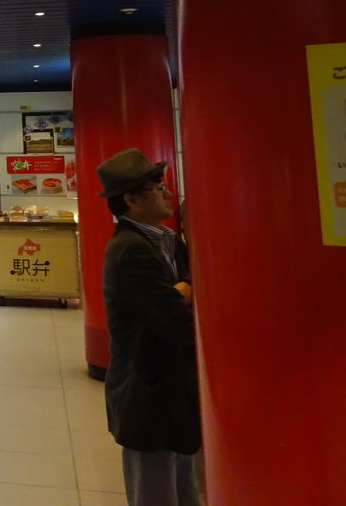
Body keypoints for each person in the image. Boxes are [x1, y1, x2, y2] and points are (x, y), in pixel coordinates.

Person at [96, 148, 200, 506]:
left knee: (184, 488)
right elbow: (177, 323)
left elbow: (187, 289)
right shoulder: (129, 250)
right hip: (147, 391)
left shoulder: (167, 240)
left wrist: (183, 290)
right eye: (158, 188)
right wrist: (184, 292)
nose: (167, 193)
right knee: (156, 492)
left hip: (173, 390)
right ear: (131, 199)